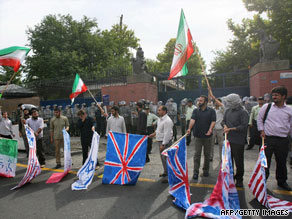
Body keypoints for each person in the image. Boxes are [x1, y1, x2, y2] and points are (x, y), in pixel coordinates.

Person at [257, 86, 292, 191]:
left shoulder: (289, 110)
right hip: (268, 139)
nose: (274, 97)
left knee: (281, 161)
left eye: (276, 95)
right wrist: (261, 130)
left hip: (283, 140)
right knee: (264, 162)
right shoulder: (267, 107)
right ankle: (262, 181)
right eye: (273, 95)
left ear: (283, 96)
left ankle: (282, 181)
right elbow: (259, 119)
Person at [222, 93, 249, 188]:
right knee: (228, 161)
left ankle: (239, 179)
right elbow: (223, 121)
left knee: (238, 161)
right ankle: (230, 178)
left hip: (238, 141)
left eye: (229, 102)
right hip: (228, 140)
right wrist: (225, 126)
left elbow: (244, 126)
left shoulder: (243, 112)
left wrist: (231, 129)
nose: (227, 103)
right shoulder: (228, 111)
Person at [187, 95, 216, 180]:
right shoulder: (196, 111)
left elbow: (213, 121)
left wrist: (210, 130)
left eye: (201, 101)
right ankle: (196, 172)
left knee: (207, 154)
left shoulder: (211, 111)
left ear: (205, 102)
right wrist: (189, 128)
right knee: (197, 155)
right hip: (198, 136)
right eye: (199, 100)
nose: (199, 102)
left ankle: (206, 170)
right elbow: (192, 120)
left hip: (208, 137)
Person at [149, 105, 173, 183]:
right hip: (160, 141)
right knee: (163, 159)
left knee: (166, 159)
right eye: (158, 110)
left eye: (159, 110)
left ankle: (168, 177)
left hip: (165, 142)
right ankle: (165, 172)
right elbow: (159, 129)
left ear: (164, 111)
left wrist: (163, 145)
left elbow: (167, 134)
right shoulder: (160, 119)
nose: (158, 111)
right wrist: (154, 134)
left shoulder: (167, 121)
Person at [209, 92, 224, 161]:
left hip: (220, 129)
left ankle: (221, 157)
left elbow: (222, 106)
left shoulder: (222, 109)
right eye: (215, 102)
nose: (216, 103)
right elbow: (209, 100)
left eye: (218, 102)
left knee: (221, 144)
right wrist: (209, 91)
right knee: (211, 144)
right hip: (213, 129)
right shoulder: (212, 109)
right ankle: (211, 156)